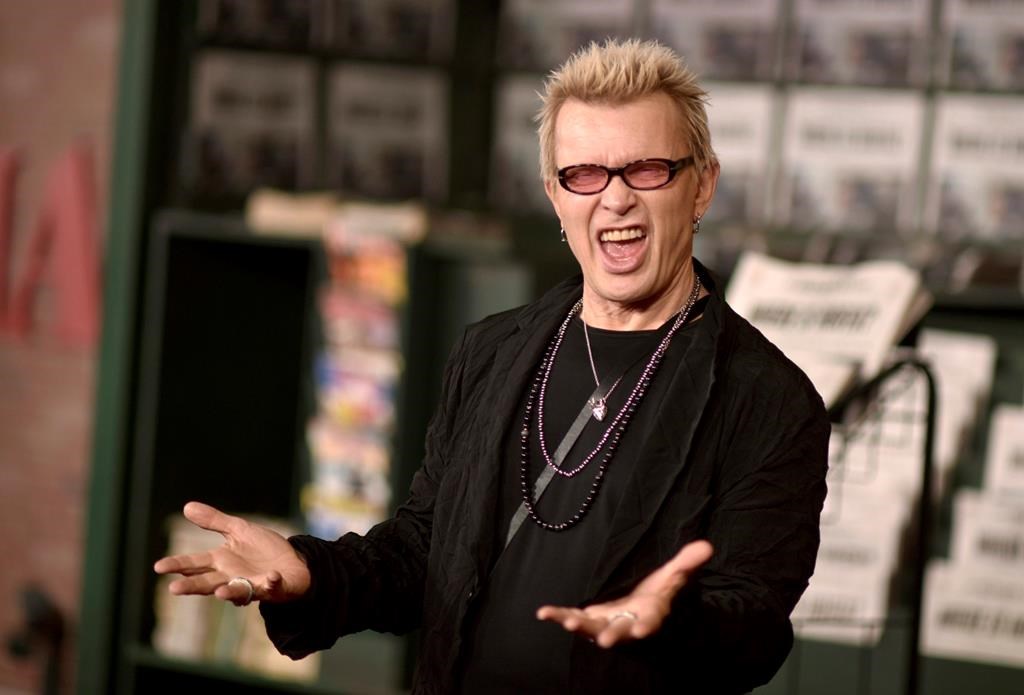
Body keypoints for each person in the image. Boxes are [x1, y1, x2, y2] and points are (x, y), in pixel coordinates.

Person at [155, 39, 829, 694]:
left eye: (647, 169)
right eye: (584, 174)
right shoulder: (493, 350)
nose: (615, 198)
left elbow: (757, 625)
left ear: (702, 186)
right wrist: (310, 570)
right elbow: (422, 551)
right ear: (556, 196)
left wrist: (675, 622)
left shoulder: (767, 398)